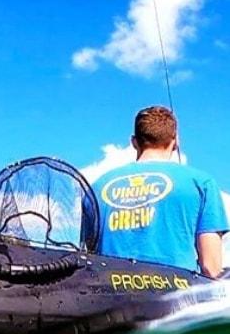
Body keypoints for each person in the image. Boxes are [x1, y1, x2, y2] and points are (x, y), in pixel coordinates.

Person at [92, 106, 228, 278]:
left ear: (134, 142)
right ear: (176, 141)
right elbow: (211, 267)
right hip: (177, 299)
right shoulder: (202, 184)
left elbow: (88, 258)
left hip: (109, 297)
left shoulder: (97, 187)